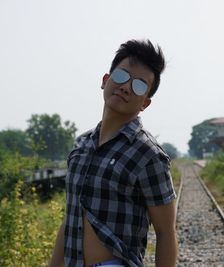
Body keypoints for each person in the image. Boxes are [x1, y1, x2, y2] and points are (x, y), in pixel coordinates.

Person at [48, 39, 178, 267]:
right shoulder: (81, 147)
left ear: (145, 103)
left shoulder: (148, 154)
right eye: (121, 76)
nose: (126, 87)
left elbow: (166, 233)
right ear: (105, 81)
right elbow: (71, 219)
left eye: (139, 85)